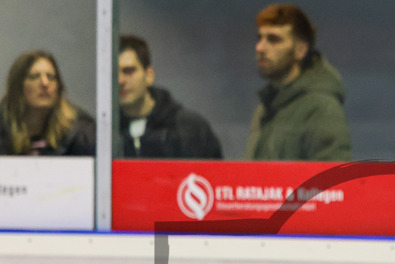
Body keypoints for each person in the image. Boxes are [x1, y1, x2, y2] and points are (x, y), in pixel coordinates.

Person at [246, 4, 350, 161]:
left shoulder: (321, 109)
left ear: (300, 50)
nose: (260, 48)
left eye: (274, 39)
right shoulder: (264, 109)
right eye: (259, 38)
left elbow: (334, 180)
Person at [0, 50, 94, 156]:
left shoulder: (82, 138)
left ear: (59, 88)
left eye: (51, 77)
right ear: (18, 87)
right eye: (34, 77)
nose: (45, 83)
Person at [117, 35, 222, 159]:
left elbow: (215, 177)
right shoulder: (103, 136)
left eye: (129, 71)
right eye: (113, 73)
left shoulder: (190, 130)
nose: (120, 80)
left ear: (149, 75)